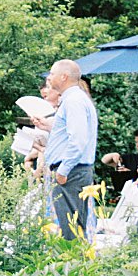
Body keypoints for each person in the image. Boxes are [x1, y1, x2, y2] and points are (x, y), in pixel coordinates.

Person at [41, 59, 98, 240]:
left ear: (64, 77)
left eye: (52, 74)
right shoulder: (74, 99)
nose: (49, 78)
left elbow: (78, 140)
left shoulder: (74, 101)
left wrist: (63, 171)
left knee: (71, 230)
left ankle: (73, 266)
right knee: (69, 226)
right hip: (72, 170)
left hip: (71, 172)